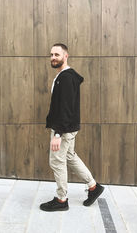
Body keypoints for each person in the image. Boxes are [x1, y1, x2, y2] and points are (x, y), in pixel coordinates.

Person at [40, 43, 104, 212]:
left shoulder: (66, 78)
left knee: (57, 162)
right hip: (68, 127)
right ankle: (93, 187)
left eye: (57, 55)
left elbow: (66, 108)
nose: (53, 57)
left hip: (64, 129)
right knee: (69, 157)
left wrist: (58, 134)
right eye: (51, 54)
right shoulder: (64, 76)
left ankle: (61, 200)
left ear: (66, 56)